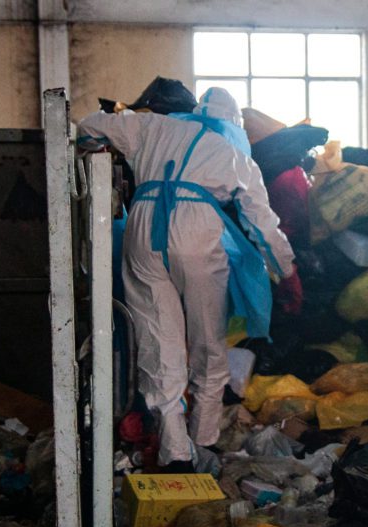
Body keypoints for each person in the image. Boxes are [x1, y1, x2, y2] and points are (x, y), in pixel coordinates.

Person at [78, 80, 301, 471]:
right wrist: (287, 271)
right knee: (208, 342)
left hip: (143, 226)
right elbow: (262, 224)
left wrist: (94, 147)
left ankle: (174, 452)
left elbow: (88, 123)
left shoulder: (153, 127)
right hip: (198, 230)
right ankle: (204, 441)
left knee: (158, 342)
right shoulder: (234, 153)